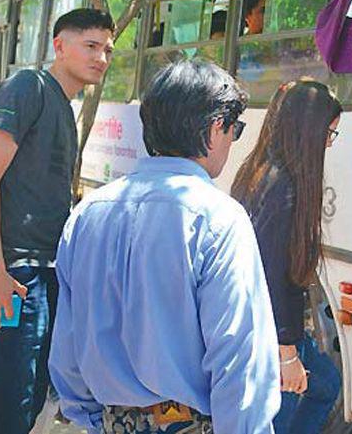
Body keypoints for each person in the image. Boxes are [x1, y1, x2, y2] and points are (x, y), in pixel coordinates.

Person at [49, 60, 280, 434]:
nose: (231, 140)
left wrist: (97, 421)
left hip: (112, 421)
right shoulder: (219, 219)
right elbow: (239, 360)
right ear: (215, 125)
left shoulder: (87, 214)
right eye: (234, 129)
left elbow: (68, 349)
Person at [0, 8, 115, 433]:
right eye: (90, 45)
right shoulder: (27, 86)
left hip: (41, 272)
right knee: (7, 406)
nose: (101, 57)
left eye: (107, 49)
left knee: (30, 400)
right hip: (12, 275)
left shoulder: (64, 107)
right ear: (59, 45)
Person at [231, 80, 343, 434]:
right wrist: (288, 354)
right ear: (308, 131)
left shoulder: (260, 171)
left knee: (325, 384)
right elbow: (277, 277)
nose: (328, 143)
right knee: (304, 396)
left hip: (259, 327)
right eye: (328, 133)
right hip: (270, 337)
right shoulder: (286, 190)